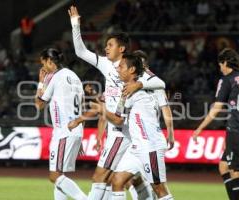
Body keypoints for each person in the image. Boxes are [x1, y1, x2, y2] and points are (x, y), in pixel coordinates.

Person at [68, 5, 166, 200]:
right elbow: (80, 51)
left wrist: (138, 84)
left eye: (110, 44)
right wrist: (75, 24)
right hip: (117, 125)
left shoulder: (133, 66)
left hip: (123, 130)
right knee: (120, 180)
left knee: (102, 176)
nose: (106, 47)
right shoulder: (106, 64)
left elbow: (160, 82)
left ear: (121, 48)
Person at [90, 53, 174, 200]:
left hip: (150, 145)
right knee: (117, 180)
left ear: (133, 69)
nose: (117, 69)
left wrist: (170, 133)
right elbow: (118, 119)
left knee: (159, 189)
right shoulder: (125, 91)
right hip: (136, 147)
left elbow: (161, 83)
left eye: (121, 66)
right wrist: (100, 107)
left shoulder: (151, 87)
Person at [192, 48, 239, 200]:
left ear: (225, 62)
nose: (220, 69)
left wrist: (199, 129)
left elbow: (216, 108)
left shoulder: (226, 80)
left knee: (235, 171)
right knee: (223, 166)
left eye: (220, 65)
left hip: (237, 131)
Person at [34, 48, 87, 200]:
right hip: (74, 131)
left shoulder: (56, 77)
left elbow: (39, 104)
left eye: (43, 63)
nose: (43, 67)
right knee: (60, 175)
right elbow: (81, 106)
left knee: (55, 176)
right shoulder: (75, 76)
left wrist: (40, 82)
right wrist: (79, 134)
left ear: (50, 61)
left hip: (64, 132)